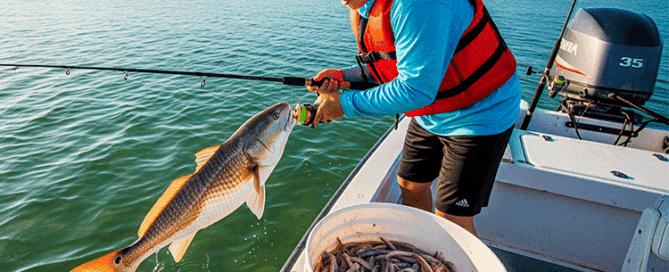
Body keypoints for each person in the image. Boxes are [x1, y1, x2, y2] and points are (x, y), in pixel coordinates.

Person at [308, 0, 521, 236]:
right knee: (410, 185)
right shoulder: (366, 6)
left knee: (452, 221)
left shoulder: (418, 5)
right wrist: (342, 76)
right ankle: (424, 244)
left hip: (480, 115)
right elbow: (387, 66)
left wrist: (344, 105)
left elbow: (416, 89)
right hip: (432, 112)